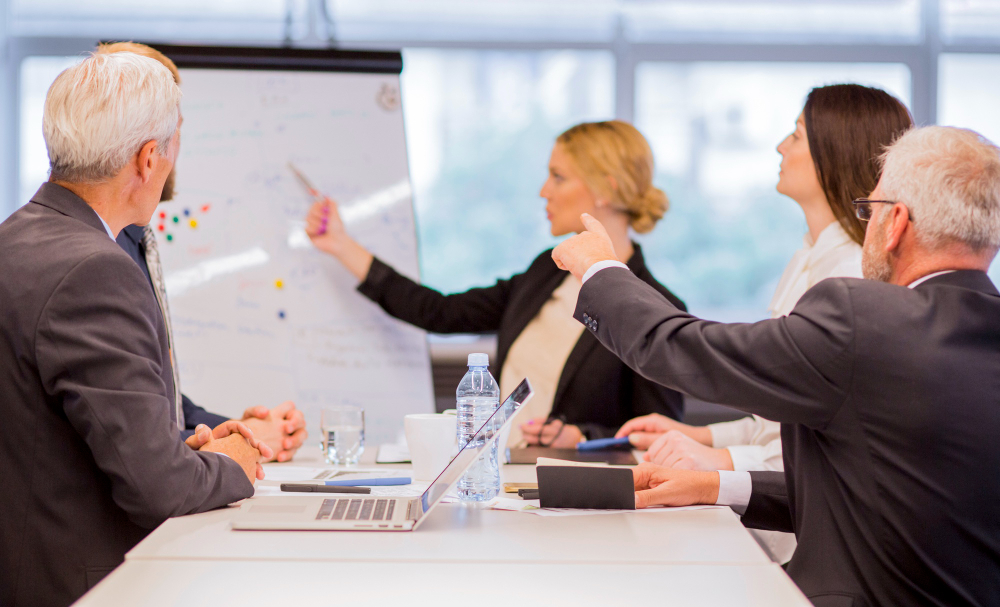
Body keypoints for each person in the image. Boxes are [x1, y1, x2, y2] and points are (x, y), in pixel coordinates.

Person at [552, 125, 1000, 606]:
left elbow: (684, 350)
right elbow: (881, 498)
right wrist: (713, 487)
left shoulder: (863, 320)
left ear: (896, 224)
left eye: (869, 210)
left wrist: (600, 269)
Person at [0, 52, 272, 607]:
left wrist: (186, 451)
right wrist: (232, 465)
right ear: (148, 160)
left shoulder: (15, 240)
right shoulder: (95, 270)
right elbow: (158, 490)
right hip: (83, 585)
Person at [614, 84, 913, 563]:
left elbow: (826, 447)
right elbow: (783, 418)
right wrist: (703, 437)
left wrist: (716, 463)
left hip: (807, 537)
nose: (780, 147)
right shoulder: (811, 258)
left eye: (795, 136)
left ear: (833, 153)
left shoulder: (853, 277)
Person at [305, 121, 686, 446]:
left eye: (558, 176)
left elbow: (659, 437)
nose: (544, 190)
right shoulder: (546, 271)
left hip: (581, 509)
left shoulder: (659, 311)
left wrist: (583, 436)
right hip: (508, 485)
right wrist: (341, 245)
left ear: (606, 188)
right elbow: (441, 312)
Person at [94, 41, 308, 462]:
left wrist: (243, 431)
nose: (177, 145)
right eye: (173, 128)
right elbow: (133, 440)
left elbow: (152, 394)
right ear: (148, 150)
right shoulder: (101, 256)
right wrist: (238, 448)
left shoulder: (132, 238)